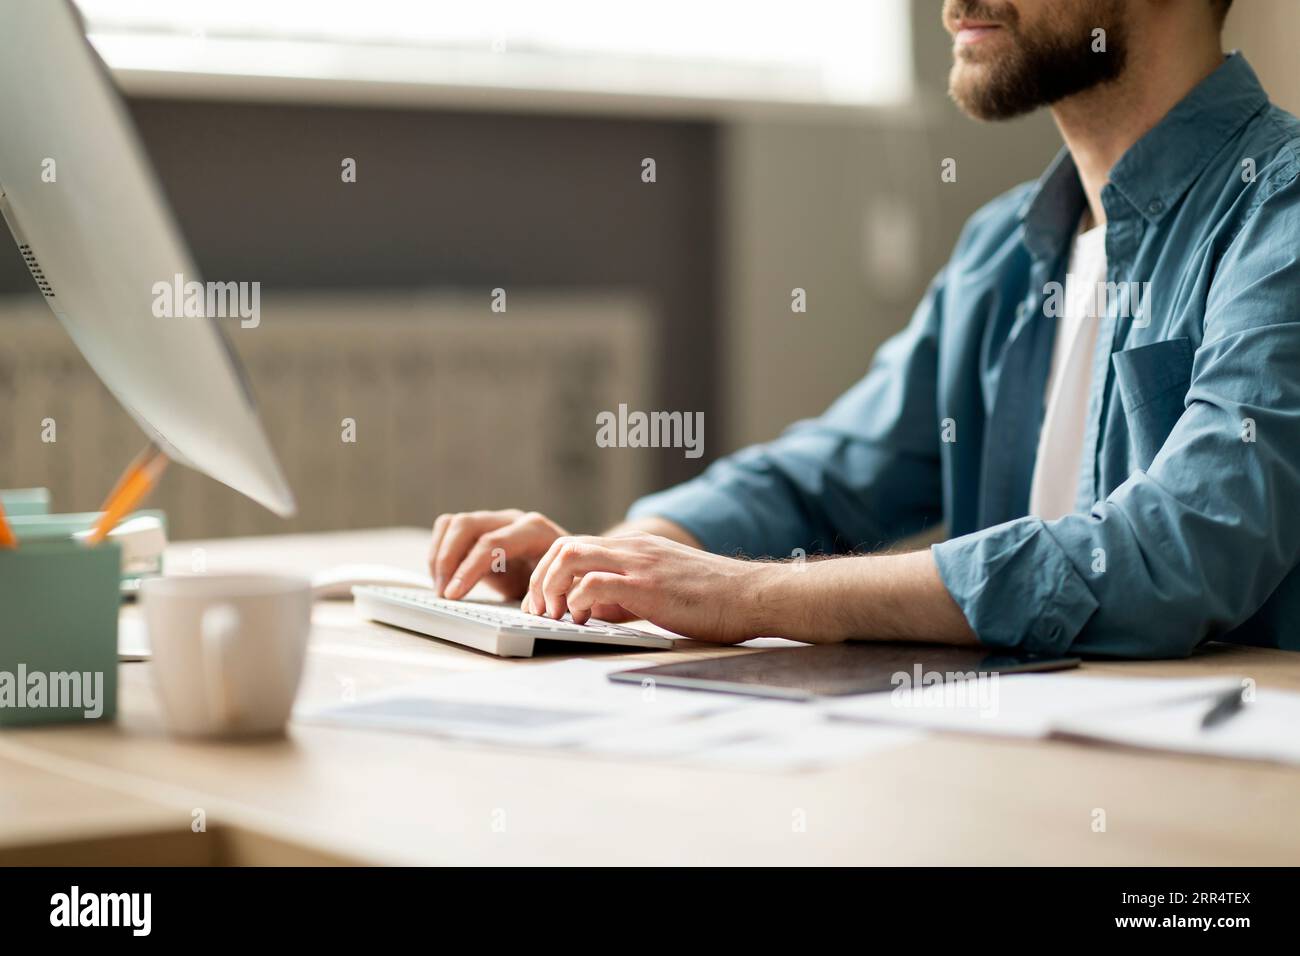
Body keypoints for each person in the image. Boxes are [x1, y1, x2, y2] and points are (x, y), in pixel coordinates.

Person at [429, 0, 1300, 659]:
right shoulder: (1002, 250)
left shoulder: (1281, 209)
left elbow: (1183, 546)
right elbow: (830, 473)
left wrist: (754, 596)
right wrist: (617, 562)